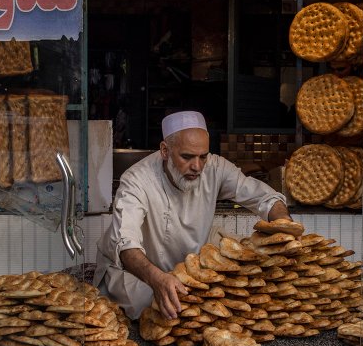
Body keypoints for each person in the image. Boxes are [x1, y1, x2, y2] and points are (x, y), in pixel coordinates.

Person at [96, 110, 290, 320]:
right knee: (161, 311)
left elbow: (263, 196)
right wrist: (158, 280)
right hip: (138, 273)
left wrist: (284, 223)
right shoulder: (136, 180)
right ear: (164, 150)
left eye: (203, 157)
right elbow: (126, 245)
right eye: (187, 157)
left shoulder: (215, 167)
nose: (197, 166)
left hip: (189, 267)